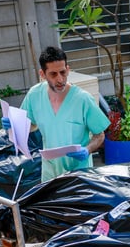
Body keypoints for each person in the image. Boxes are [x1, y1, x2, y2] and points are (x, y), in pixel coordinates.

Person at [15, 46, 109, 182]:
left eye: (63, 72)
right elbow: (31, 126)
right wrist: (13, 122)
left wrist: (87, 150)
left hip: (79, 175)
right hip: (49, 175)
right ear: (42, 74)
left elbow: (99, 135)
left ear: (68, 69)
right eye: (53, 74)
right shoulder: (34, 95)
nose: (60, 79)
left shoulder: (83, 99)